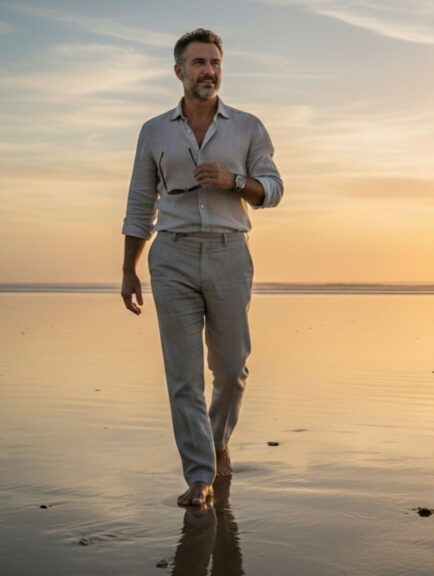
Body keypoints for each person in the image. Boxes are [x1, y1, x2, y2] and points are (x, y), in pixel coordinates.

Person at [120, 28, 283, 507]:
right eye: (198, 63)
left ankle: (216, 440)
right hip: (170, 254)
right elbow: (138, 203)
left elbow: (273, 189)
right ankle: (199, 476)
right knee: (183, 375)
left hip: (230, 252)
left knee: (232, 369)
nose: (208, 71)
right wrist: (129, 269)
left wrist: (235, 182)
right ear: (179, 72)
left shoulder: (248, 127)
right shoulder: (153, 131)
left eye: (214, 63)